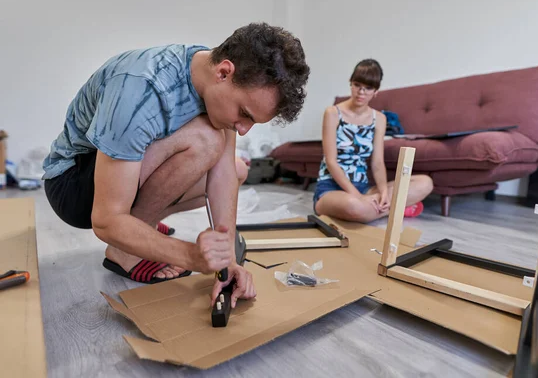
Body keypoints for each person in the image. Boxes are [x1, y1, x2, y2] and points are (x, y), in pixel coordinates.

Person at [42, 22, 310, 308]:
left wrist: (227, 259)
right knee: (206, 138)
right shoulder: (140, 88)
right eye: (244, 114)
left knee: (238, 169)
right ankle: (125, 250)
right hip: (72, 184)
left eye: (253, 121)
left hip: (121, 174)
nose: (244, 130)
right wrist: (189, 255)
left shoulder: (214, 77)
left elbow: (223, 175)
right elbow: (105, 221)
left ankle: (140, 230)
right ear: (224, 72)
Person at [313, 59, 433, 223]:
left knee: (425, 183)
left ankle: (379, 206)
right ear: (351, 84)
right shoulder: (332, 113)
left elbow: (377, 163)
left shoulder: (380, 118)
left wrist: (383, 192)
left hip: (365, 188)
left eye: (368, 88)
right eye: (357, 85)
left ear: (376, 91)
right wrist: (357, 196)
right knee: (354, 206)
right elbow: (331, 161)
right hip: (332, 189)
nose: (361, 92)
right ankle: (397, 208)